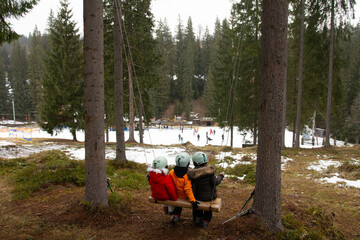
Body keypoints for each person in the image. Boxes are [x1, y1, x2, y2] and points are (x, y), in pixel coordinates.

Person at [188, 152, 224, 228]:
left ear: (194, 162)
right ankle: (205, 221)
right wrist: (221, 176)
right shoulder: (209, 172)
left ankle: (197, 218)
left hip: (196, 197)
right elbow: (215, 183)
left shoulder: (192, 173)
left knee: (196, 208)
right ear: (205, 161)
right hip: (209, 197)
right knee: (208, 210)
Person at [169, 152, 199, 223]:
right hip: (185, 196)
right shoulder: (187, 175)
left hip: (176, 195)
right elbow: (188, 189)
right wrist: (193, 201)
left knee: (178, 206)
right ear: (188, 164)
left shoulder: (172, 172)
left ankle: (176, 215)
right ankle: (197, 218)